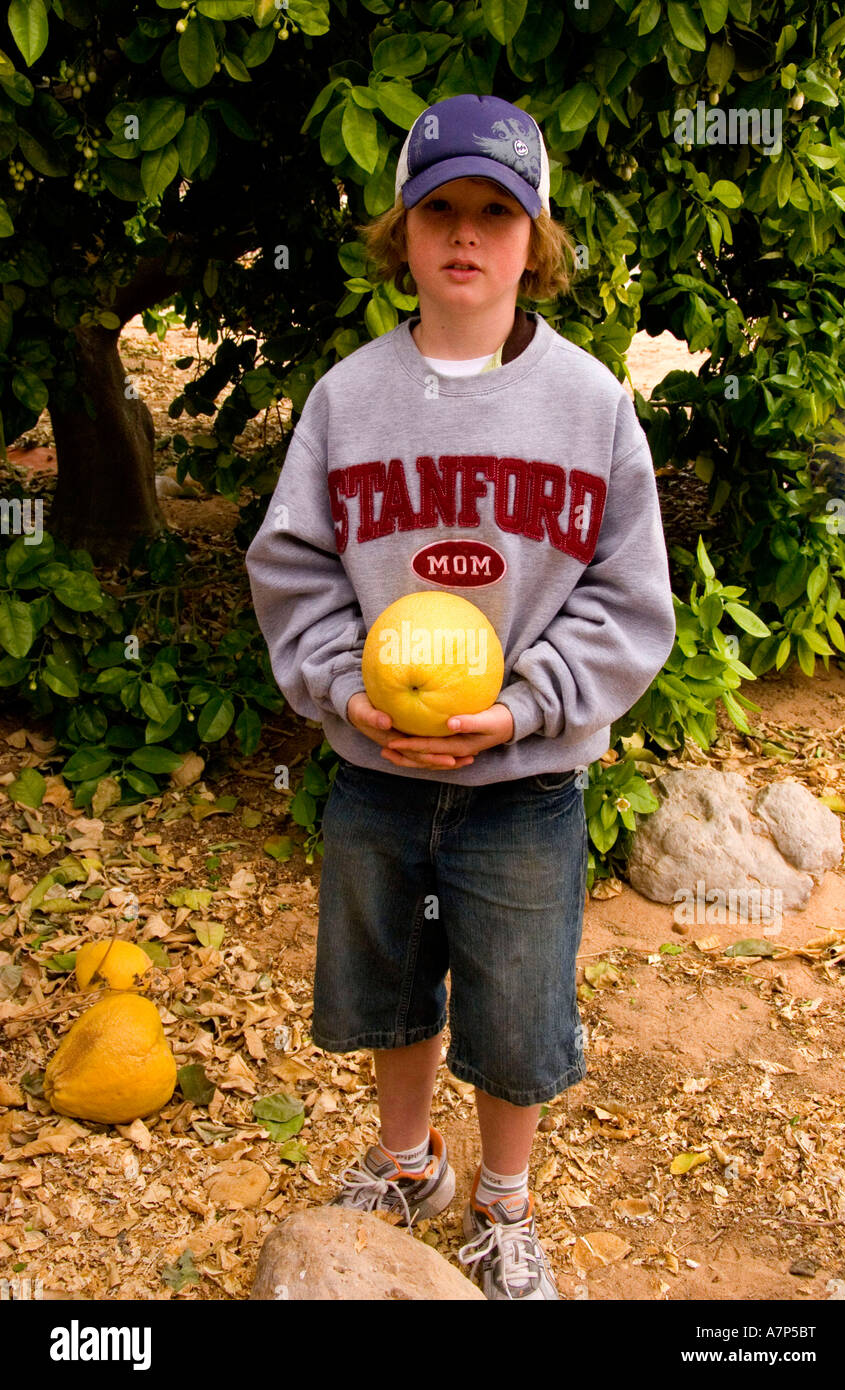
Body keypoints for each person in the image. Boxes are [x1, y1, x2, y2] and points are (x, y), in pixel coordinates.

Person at [245, 92, 675, 1300]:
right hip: (377, 769)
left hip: (526, 780)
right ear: (402, 234)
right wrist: (341, 687)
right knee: (391, 982)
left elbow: (629, 591)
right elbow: (292, 565)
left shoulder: (588, 405)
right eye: (442, 208)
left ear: (536, 239)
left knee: (516, 1008)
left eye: (498, 210)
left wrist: (532, 698)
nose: (468, 234)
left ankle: (502, 1203)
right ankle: (404, 1161)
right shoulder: (347, 399)